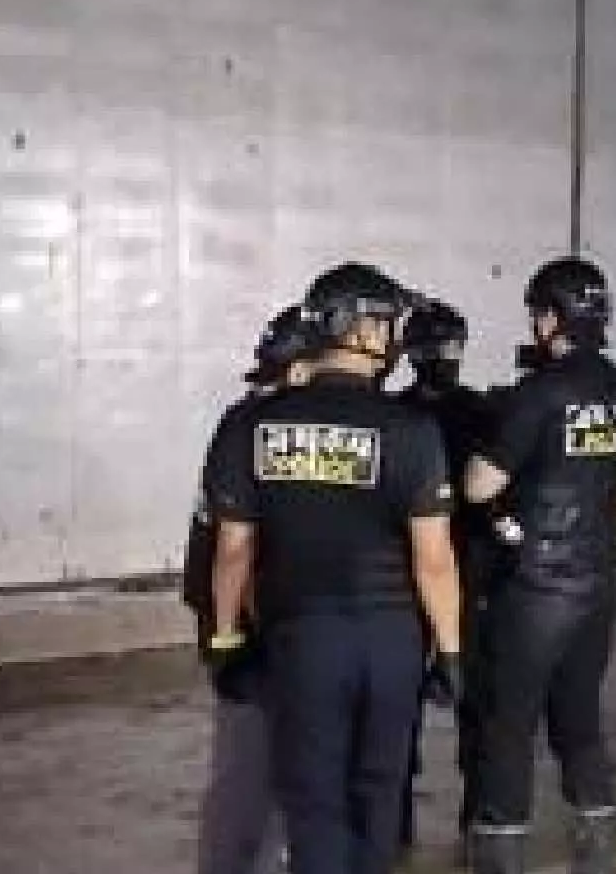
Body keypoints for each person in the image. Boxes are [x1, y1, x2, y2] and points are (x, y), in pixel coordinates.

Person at [203, 263, 465, 874]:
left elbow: (233, 550)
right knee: (378, 796)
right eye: (387, 322)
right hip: (393, 643)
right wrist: (451, 651)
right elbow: (433, 559)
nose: (395, 336)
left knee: (315, 800)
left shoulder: (252, 425)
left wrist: (225, 637)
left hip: (303, 640)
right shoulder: (412, 429)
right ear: (358, 329)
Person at [464, 257, 616, 874]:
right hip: (598, 580)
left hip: (533, 584)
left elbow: (480, 485)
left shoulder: (539, 392)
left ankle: (502, 851)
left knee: (510, 722)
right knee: (580, 718)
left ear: (551, 319)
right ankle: (596, 843)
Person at [187, 305, 323, 874]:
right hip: (252, 622)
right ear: (299, 370)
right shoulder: (269, 434)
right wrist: (230, 634)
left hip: (236, 616)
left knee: (254, 766)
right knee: (253, 770)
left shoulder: (242, 421)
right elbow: (236, 549)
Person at [394, 300, 500, 848]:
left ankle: (468, 816)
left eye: (451, 345)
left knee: (467, 700)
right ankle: (410, 820)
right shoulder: (407, 415)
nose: (445, 356)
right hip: (431, 569)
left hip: (456, 569)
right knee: (411, 701)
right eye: (438, 346)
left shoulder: (472, 412)